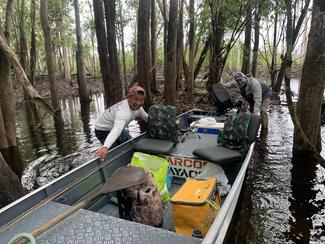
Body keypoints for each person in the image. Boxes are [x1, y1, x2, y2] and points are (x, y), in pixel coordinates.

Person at [94, 85, 148, 158]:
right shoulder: (122, 112)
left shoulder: (139, 109)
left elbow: (147, 118)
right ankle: (102, 150)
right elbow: (116, 130)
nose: (138, 103)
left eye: (141, 100)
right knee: (116, 154)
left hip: (118, 127)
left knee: (132, 146)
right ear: (129, 98)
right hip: (102, 130)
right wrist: (105, 147)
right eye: (136, 99)